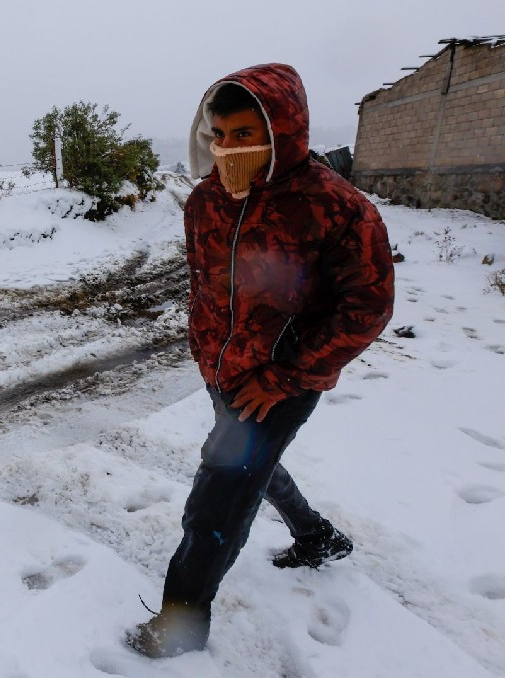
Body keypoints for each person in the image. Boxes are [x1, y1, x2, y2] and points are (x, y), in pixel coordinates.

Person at [125, 63, 395, 658]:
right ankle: (317, 537)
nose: (228, 149)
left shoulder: (335, 207)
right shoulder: (206, 201)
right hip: (221, 372)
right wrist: (205, 348)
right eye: (220, 135)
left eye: (245, 134)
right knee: (253, 462)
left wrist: (284, 376)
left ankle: (180, 627)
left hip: (282, 382)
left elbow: (367, 307)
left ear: (283, 131)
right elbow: (205, 285)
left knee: (218, 494)